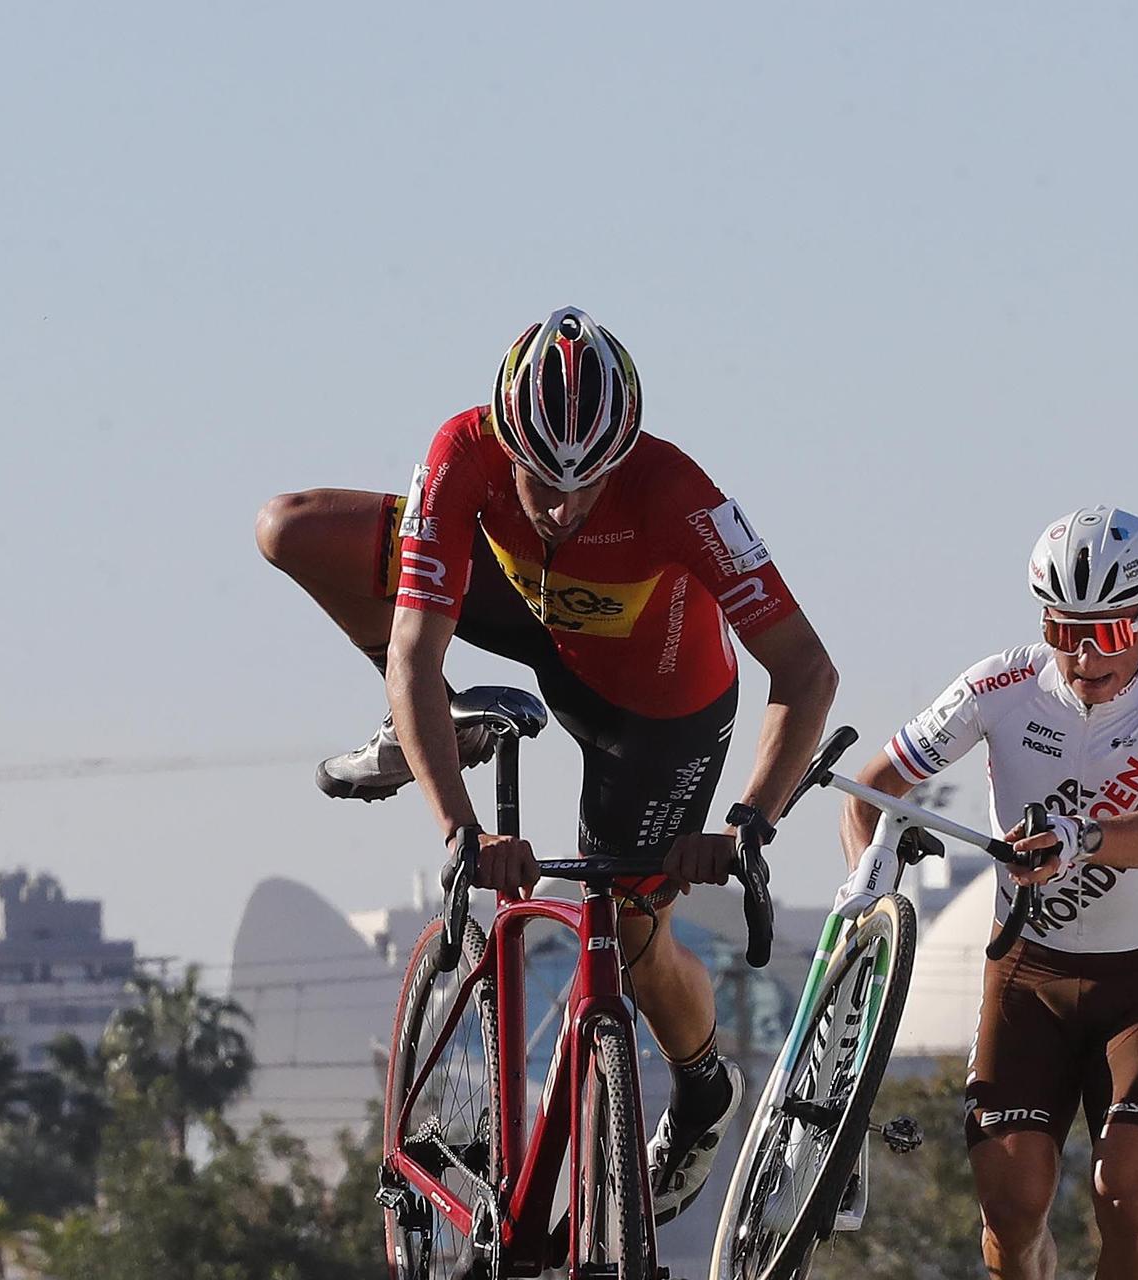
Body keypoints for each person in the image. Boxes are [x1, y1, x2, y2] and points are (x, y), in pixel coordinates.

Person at [257, 308, 838, 1221]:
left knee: (638, 937)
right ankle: (437, 729)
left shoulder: (678, 489)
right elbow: (413, 651)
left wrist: (749, 822)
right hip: (522, 605)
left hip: (652, 705)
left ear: (627, 452)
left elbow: (806, 668)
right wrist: (459, 829)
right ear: (502, 437)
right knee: (289, 529)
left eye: (588, 485)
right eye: (540, 480)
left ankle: (699, 1089)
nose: (563, 507)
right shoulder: (461, 452)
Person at [840, 506, 1138, 1280]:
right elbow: (872, 789)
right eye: (1062, 630)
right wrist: (871, 892)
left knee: (1124, 1197)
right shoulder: (999, 684)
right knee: (1012, 1209)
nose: (1085, 656)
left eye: (1107, 631)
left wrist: (1079, 839)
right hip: (1025, 975)